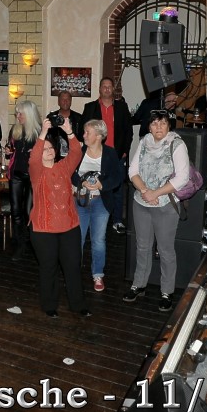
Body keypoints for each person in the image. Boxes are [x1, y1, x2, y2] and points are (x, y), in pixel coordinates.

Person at [123, 109, 189, 312]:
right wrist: (145, 191)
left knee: (166, 249)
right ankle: (139, 284)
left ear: (169, 125)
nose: (158, 127)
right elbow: (132, 171)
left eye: (162, 123)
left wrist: (155, 193)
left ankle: (167, 291)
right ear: (149, 127)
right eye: (154, 123)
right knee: (142, 246)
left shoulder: (177, 144)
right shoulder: (144, 142)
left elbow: (182, 178)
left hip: (166, 204)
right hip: (141, 202)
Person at [29, 117, 89, 318]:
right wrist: (43, 133)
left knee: (73, 266)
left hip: (69, 225)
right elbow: (34, 158)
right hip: (43, 228)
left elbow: (76, 152)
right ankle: (49, 305)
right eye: (44, 149)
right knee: (49, 267)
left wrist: (69, 131)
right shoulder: (37, 172)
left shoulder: (63, 167)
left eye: (50, 148)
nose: (48, 151)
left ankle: (78, 305)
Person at [72, 119, 121, 292]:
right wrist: (81, 182)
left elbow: (117, 177)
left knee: (98, 240)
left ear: (99, 136)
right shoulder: (79, 151)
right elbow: (69, 172)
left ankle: (98, 274)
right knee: (77, 238)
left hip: (101, 201)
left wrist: (102, 185)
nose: (84, 135)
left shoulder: (110, 153)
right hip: (80, 200)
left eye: (88, 132)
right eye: (84, 132)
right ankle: (73, 272)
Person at [81, 77, 132, 234]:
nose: (107, 89)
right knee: (94, 186)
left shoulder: (122, 107)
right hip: (97, 154)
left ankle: (117, 220)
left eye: (110, 86)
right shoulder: (90, 107)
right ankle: (93, 217)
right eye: (104, 86)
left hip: (116, 154)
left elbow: (128, 131)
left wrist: (124, 151)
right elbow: (82, 130)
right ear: (100, 88)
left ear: (113, 89)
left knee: (117, 188)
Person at [6, 100, 41, 260]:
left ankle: (32, 242)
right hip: (16, 174)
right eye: (17, 113)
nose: (18, 116)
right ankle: (19, 244)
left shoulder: (40, 132)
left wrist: (36, 153)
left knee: (28, 212)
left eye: (21, 113)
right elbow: (10, 149)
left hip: (33, 176)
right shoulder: (15, 130)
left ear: (29, 115)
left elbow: (49, 153)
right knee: (15, 211)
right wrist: (8, 151)